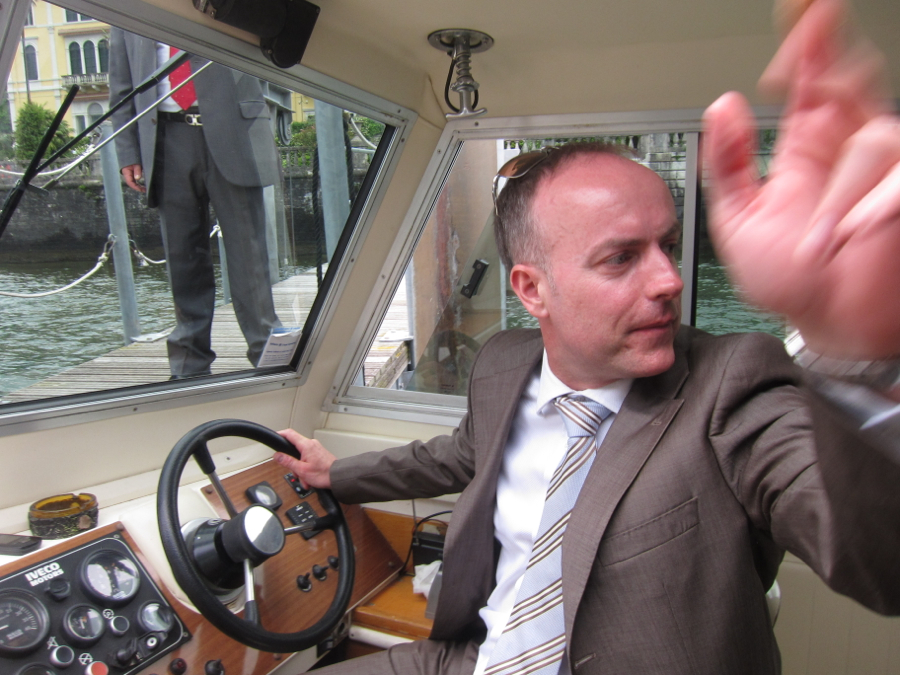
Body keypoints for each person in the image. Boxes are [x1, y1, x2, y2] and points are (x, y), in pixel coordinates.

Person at [276, 0, 900, 673]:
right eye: (621, 258)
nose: (669, 280)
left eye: (667, 245)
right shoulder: (503, 365)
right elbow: (453, 456)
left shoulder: (733, 385)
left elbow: (882, 562)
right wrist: (334, 474)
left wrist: (853, 339)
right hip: (471, 658)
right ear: (531, 290)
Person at [108, 28, 281, 378]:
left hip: (234, 131)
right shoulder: (129, 8)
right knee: (182, 256)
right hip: (165, 137)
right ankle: (189, 362)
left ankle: (268, 352)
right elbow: (121, 86)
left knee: (248, 253)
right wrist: (128, 152)